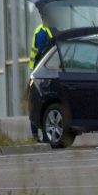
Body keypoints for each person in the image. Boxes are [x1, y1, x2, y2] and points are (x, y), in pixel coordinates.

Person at [29, 13, 54, 142]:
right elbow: (45, 52)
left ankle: (36, 135)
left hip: (37, 71)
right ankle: (44, 136)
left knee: (38, 102)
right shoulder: (45, 32)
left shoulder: (39, 30)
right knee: (44, 102)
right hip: (43, 73)